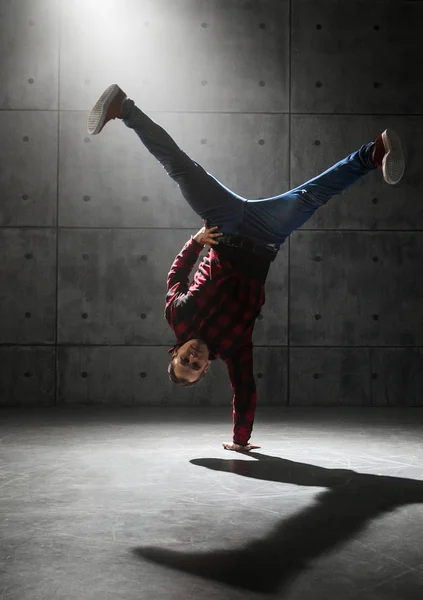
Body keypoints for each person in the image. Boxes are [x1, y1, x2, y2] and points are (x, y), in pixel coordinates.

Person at [87, 84, 405, 452]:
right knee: (312, 196)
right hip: (265, 236)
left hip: (222, 224)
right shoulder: (235, 348)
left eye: (184, 360)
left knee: (178, 166)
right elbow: (245, 391)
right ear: (206, 369)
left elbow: (175, 277)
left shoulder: (177, 317)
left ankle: (122, 108)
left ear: (175, 352)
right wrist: (240, 442)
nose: (192, 358)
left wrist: (195, 242)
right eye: (195, 367)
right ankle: (375, 152)